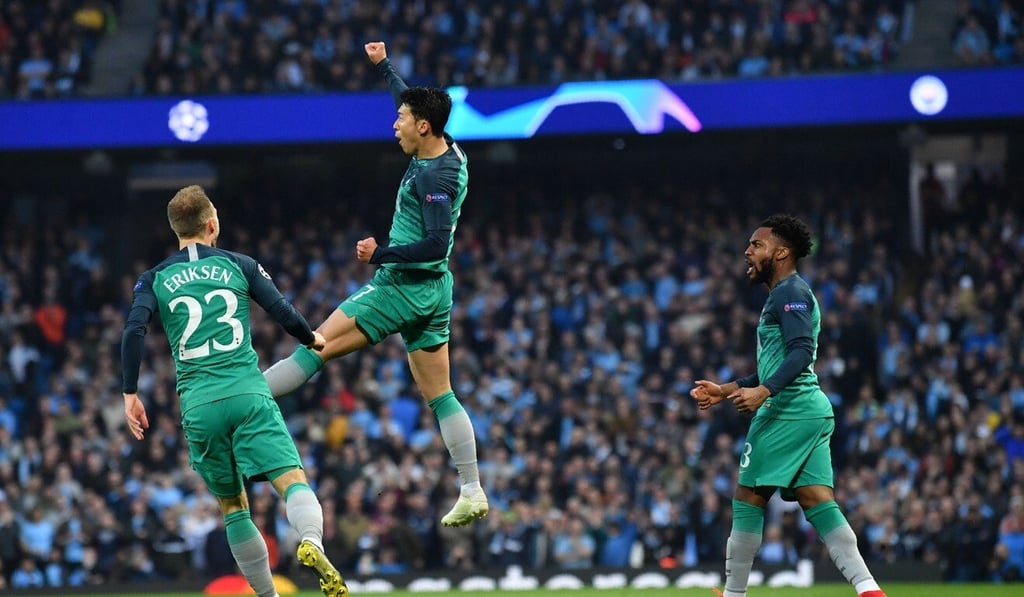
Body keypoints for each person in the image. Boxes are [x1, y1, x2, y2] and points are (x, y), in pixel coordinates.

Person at [262, 41, 488, 528]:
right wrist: (385, 67)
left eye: (402, 119)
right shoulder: (445, 146)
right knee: (442, 394)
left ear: (422, 127)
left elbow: (434, 243)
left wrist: (378, 254)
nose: (395, 123)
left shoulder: (433, 178)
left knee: (314, 346)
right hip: (435, 292)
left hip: (402, 285)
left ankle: (242, 399)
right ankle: (471, 488)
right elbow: (410, 101)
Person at [121, 186, 347, 597]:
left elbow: (135, 329)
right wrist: (310, 337)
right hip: (247, 392)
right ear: (213, 224)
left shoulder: (153, 278)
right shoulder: (239, 264)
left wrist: (129, 393)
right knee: (291, 480)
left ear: (176, 231)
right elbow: (281, 311)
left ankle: (267, 596)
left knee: (233, 506)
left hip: (199, 404)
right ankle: (311, 540)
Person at [690, 214, 886, 597]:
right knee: (817, 500)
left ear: (781, 252)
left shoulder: (790, 293)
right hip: (811, 410)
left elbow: (801, 352)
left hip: (788, 409)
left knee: (748, 496)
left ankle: (733, 595)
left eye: (756, 245)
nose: (747, 252)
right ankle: (870, 590)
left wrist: (765, 393)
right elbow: (776, 365)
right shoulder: (784, 294)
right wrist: (725, 389)